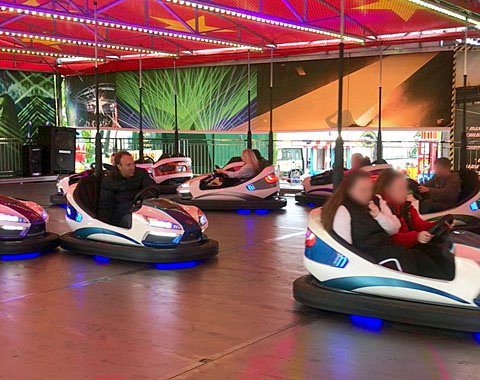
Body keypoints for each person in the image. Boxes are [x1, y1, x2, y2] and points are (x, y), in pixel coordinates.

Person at [321, 171, 445, 278]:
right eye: (362, 190)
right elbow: (345, 248)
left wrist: (378, 216)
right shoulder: (343, 210)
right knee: (400, 256)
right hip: (367, 256)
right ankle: (417, 293)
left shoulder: (377, 201)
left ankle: (442, 285)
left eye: (369, 189)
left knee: (418, 255)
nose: (368, 194)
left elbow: (394, 228)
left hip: (387, 247)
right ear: (349, 191)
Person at [374, 169, 454, 280]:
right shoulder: (383, 210)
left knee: (441, 252)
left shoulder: (406, 207)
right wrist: (416, 237)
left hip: (410, 248)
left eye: (405, 188)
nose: (406, 192)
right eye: (401, 188)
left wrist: (440, 225)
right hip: (401, 252)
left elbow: (420, 225)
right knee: (430, 261)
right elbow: (392, 239)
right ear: (387, 190)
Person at [98, 151, 154, 227]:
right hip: (122, 214)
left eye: (133, 164)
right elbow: (106, 205)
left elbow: (151, 189)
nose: (132, 167)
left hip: (143, 208)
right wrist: (105, 226)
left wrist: (142, 200)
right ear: (119, 166)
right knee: (137, 224)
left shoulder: (141, 173)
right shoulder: (110, 180)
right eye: (128, 165)